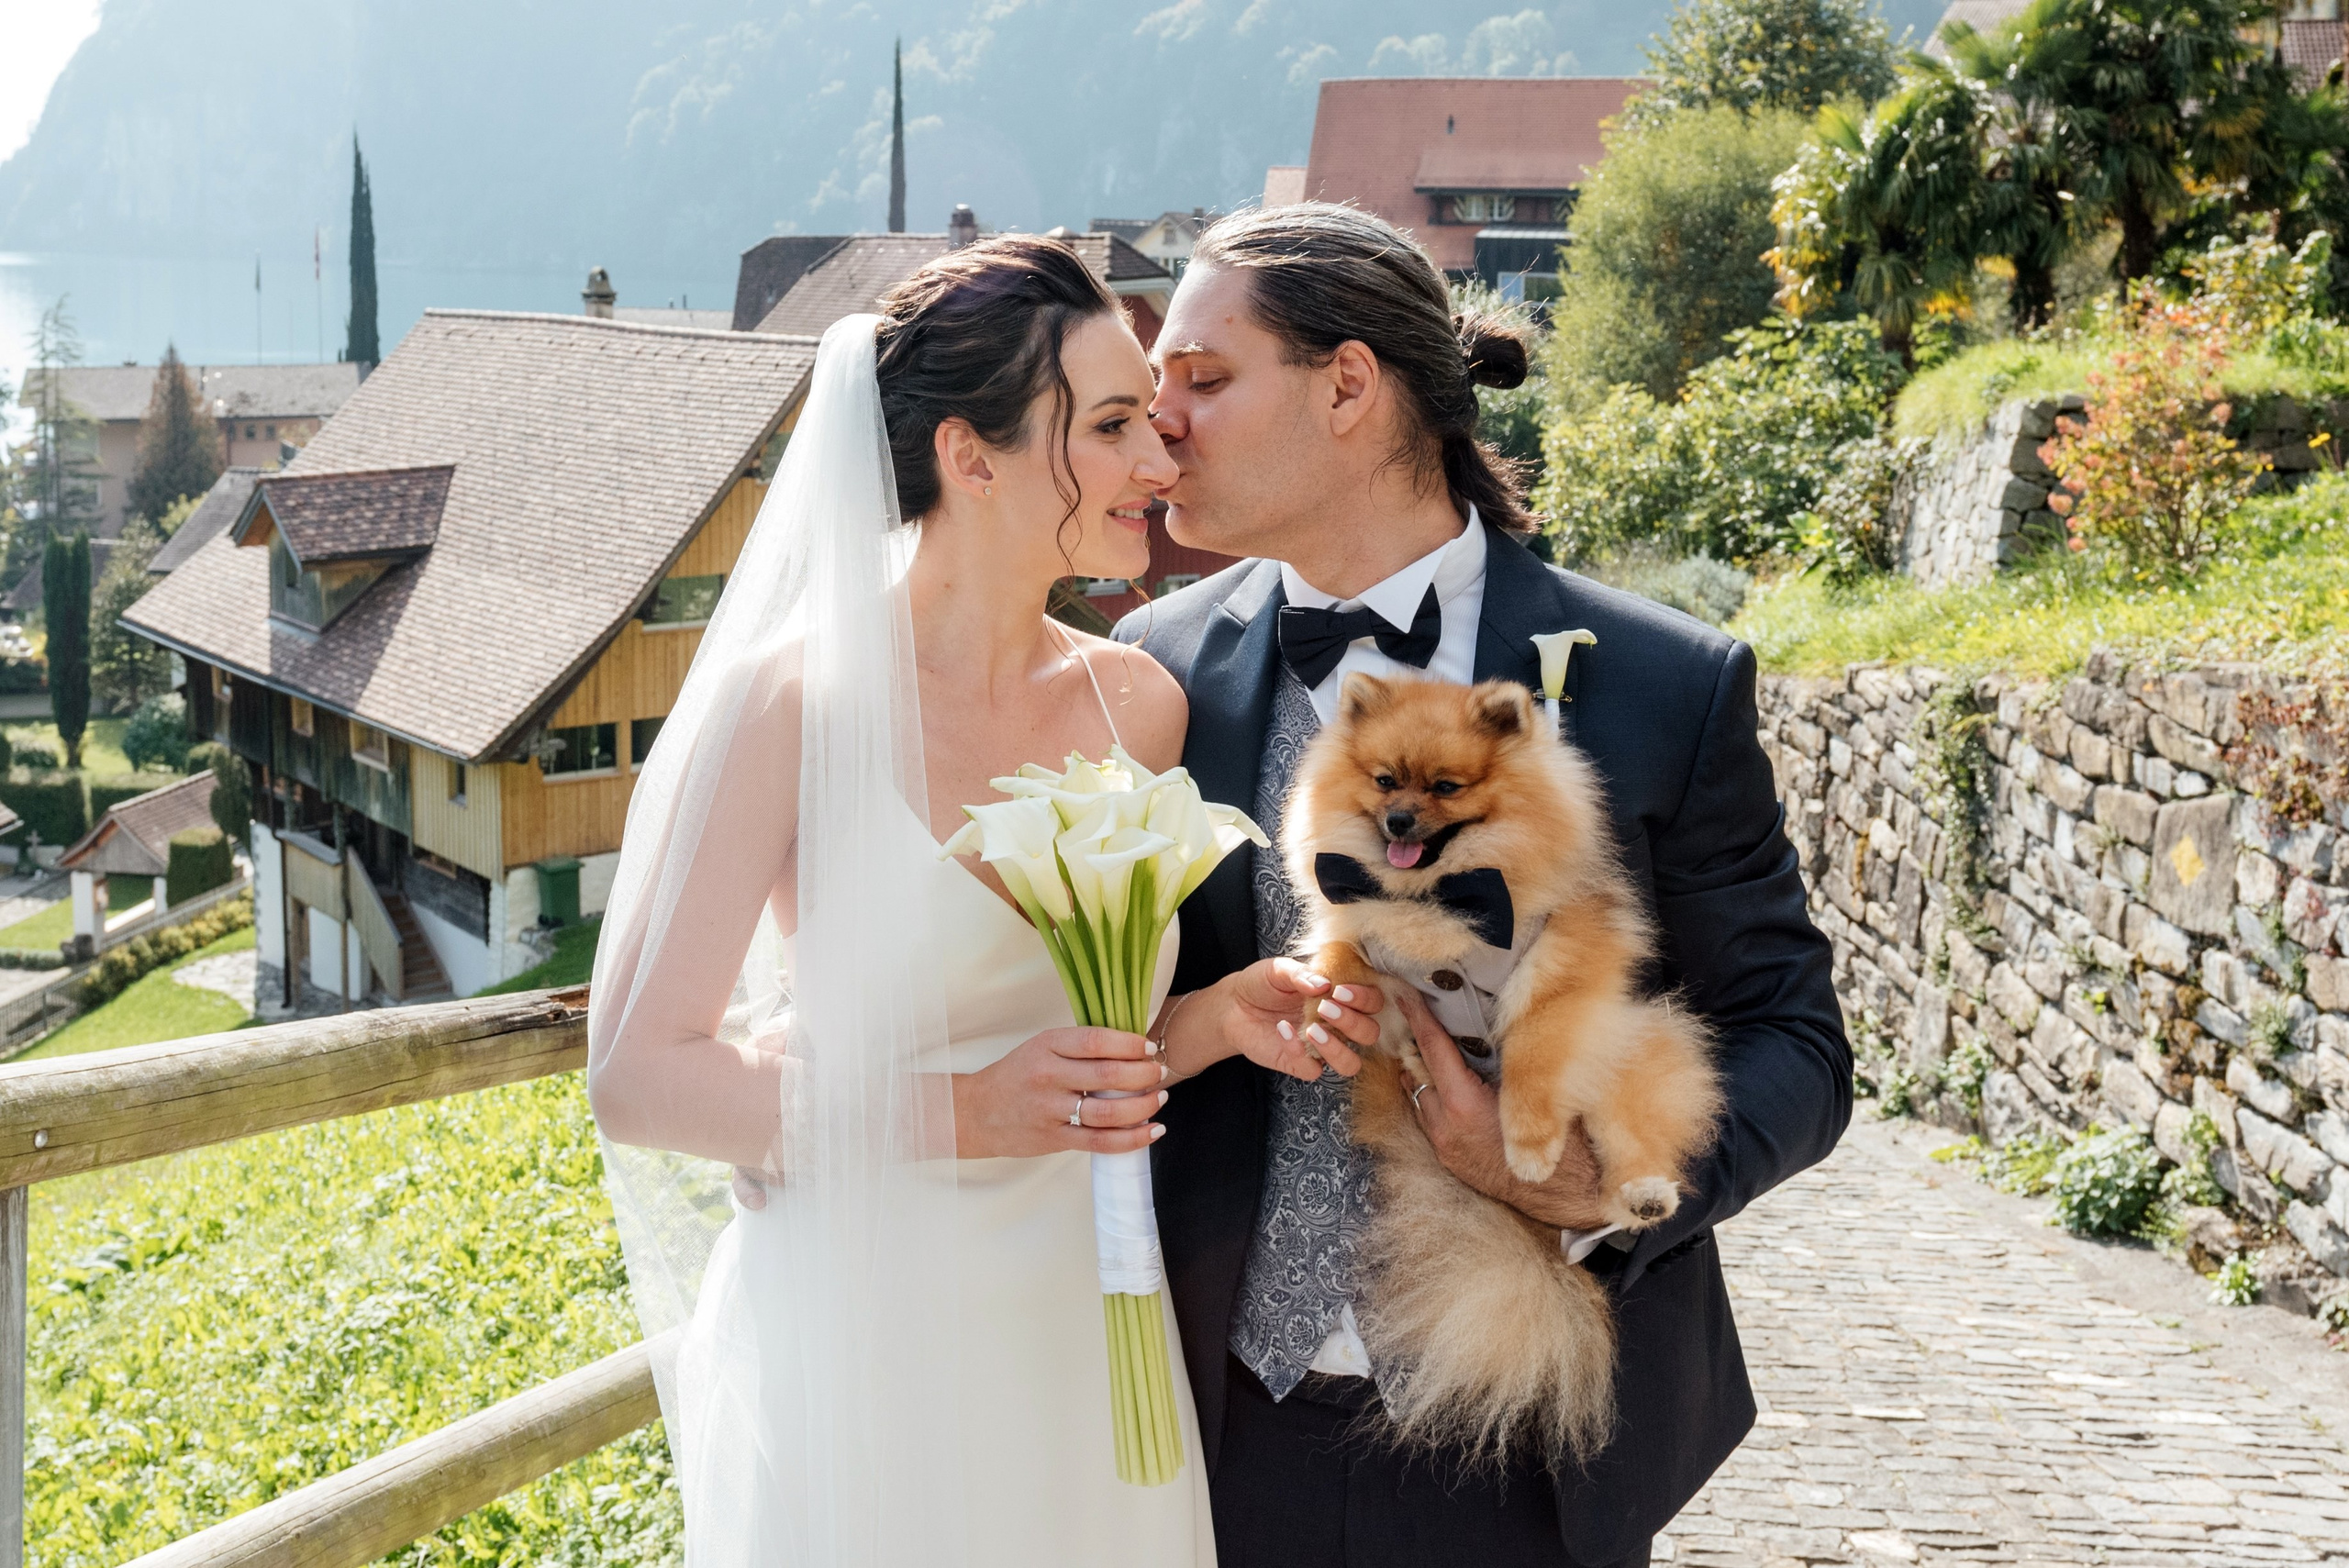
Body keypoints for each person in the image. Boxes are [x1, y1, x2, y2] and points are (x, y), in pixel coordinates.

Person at [584, 236, 1389, 1565]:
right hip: (865, 1336)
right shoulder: (791, 706)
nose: (1160, 461)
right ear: (973, 456)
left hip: (1090, 1326)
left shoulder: (1138, 705)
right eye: (1117, 423)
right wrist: (967, 1109)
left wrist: (1216, 1018)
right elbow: (640, 1077)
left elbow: (1088, 1050)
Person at [1112, 203, 1853, 1568]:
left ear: (1348, 386)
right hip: (1201, 1431)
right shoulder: (1144, 670)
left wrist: (1606, 1183)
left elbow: (1797, 1042)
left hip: (1535, 1448)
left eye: (1203, 381)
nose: (1162, 424)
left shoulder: (1661, 685)